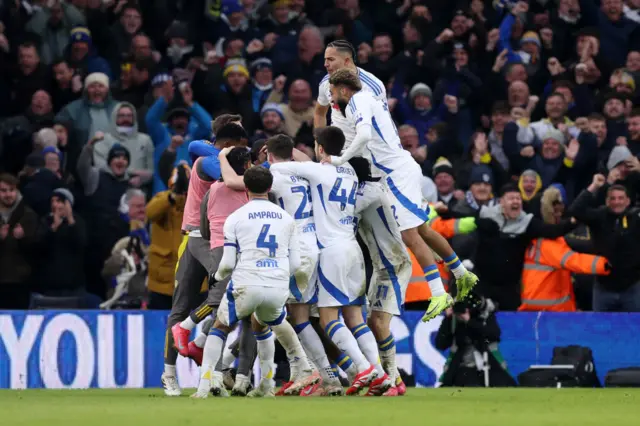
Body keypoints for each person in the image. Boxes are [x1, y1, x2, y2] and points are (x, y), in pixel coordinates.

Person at [325, 68, 478, 322]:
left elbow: (363, 136)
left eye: (332, 93)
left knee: (409, 234)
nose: (330, 98)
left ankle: (439, 294)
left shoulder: (358, 101)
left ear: (343, 89)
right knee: (424, 230)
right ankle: (462, 273)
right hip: (397, 171)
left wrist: (339, 159)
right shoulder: (361, 103)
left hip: (396, 175)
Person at [219, 134, 345, 396]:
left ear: (269, 154)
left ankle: (319, 374)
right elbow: (307, 157)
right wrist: (289, 149)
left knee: (292, 317)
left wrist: (222, 156)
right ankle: (310, 373)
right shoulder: (307, 170)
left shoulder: (272, 173)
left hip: (296, 248)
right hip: (316, 245)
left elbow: (232, 182)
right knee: (279, 316)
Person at [270, 126, 391, 396]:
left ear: (320, 149)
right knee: (355, 318)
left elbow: (282, 168)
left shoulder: (319, 171)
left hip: (332, 251)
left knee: (328, 320)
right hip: (353, 248)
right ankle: (380, 374)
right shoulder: (347, 169)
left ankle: (362, 368)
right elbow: (307, 162)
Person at [192, 166, 319, 398]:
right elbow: (295, 263)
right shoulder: (286, 218)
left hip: (246, 281)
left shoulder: (235, 218)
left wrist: (217, 277)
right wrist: (279, 279)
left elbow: (228, 263)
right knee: (262, 326)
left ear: (246, 188)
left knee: (219, 327)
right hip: (277, 283)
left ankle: (205, 386)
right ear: (270, 188)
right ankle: (267, 386)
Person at [162, 123, 247, 397]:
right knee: (194, 303)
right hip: (200, 239)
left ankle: (201, 347)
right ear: (227, 141)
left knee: (227, 299)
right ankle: (170, 373)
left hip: (213, 239)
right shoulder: (206, 163)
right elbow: (223, 171)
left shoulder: (213, 156)